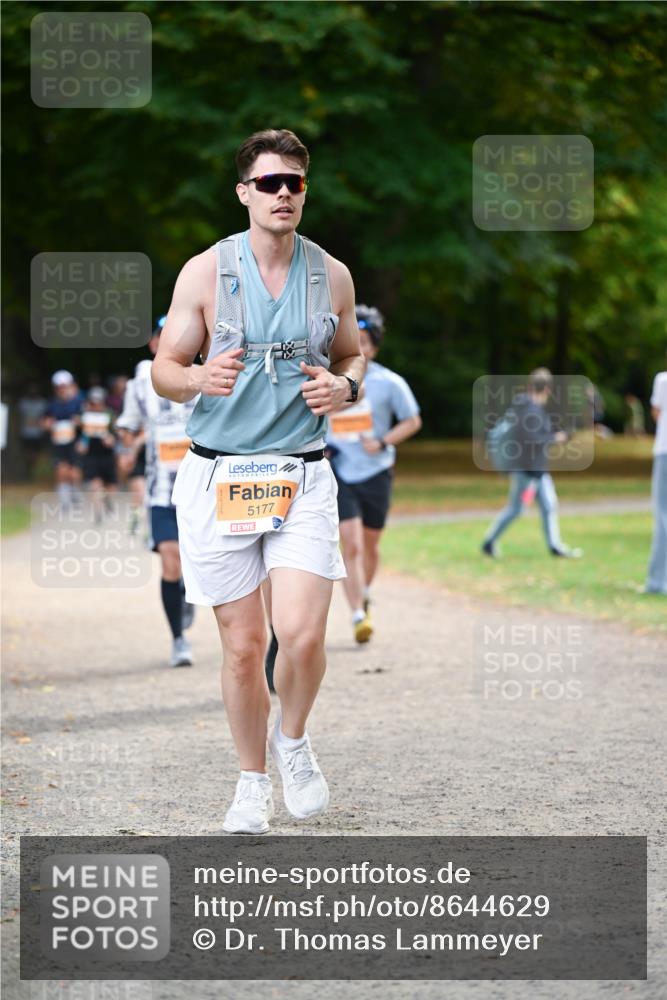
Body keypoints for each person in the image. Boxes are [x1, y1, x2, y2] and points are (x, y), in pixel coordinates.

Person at [151, 128, 364, 834]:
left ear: (305, 190)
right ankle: (250, 783)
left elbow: (352, 355)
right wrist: (192, 379)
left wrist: (343, 387)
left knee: (301, 636)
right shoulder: (205, 272)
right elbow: (166, 368)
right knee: (243, 647)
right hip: (218, 477)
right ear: (244, 191)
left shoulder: (329, 273)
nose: (283, 195)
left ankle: (293, 741)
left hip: (302, 474)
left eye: (294, 184)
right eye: (269, 183)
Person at [326, 304, 421, 643]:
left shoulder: (389, 383)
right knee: (348, 543)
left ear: (375, 346)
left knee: (369, 544)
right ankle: (357, 614)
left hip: (377, 471)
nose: (359, 347)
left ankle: (364, 590)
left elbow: (412, 420)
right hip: (338, 470)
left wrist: (383, 442)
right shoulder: (331, 380)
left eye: (365, 341)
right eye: (354, 340)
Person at [117, 323, 197, 667]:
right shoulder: (139, 384)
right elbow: (127, 425)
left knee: (192, 564)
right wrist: (128, 445)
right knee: (170, 559)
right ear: (153, 344)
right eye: (163, 339)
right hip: (161, 490)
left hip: (201, 488)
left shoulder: (205, 374)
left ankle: (187, 593)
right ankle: (178, 639)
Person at [481, 367, 582, 559]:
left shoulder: (523, 407)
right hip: (528, 472)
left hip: (537, 471)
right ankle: (489, 542)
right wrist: (556, 438)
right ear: (547, 389)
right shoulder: (530, 410)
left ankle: (555, 545)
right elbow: (532, 439)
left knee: (549, 505)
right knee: (517, 509)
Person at [42, 370, 83, 509]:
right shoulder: (52, 404)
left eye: (64, 386)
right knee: (61, 471)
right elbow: (44, 421)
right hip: (58, 442)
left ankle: (75, 494)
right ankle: (64, 501)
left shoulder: (78, 402)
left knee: (74, 472)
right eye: (59, 387)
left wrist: (79, 422)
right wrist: (48, 424)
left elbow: (86, 421)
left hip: (74, 442)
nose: (62, 389)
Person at [76, 387, 118, 521]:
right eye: (92, 403)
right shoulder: (84, 415)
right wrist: (80, 443)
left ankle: (106, 500)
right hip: (91, 455)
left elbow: (117, 433)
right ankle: (98, 511)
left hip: (107, 455)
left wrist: (111, 439)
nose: (95, 406)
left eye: (97, 403)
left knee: (111, 486)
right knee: (95, 483)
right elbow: (80, 433)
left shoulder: (110, 415)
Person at [644, 364, 667, 595]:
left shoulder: (662, 379)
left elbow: (656, 412)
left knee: (662, 516)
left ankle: (657, 582)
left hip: (664, 451)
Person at [18, 383, 48, 479]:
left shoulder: (42, 403)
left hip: (38, 433)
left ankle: (34, 471)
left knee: (37, 453)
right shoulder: (23, 403)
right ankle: (28, 470)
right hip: (26, 433)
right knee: (27, 453)